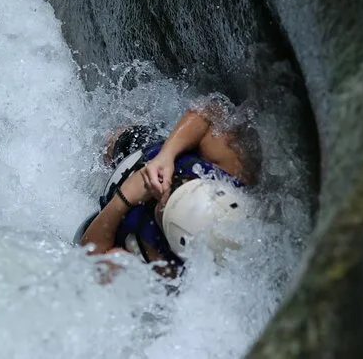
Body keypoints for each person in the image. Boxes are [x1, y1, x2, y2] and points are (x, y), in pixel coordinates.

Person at [75, 99, 255, 278]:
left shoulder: (162, 267)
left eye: (165, 207)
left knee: (112, 261)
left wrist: (125, 197)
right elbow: (212, 109)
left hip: (117, 216)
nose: (161, 192)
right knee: (116, 139)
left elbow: (86, 258)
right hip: (144, 150)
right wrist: (167, 154)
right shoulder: (233, 169)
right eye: (178, 185)